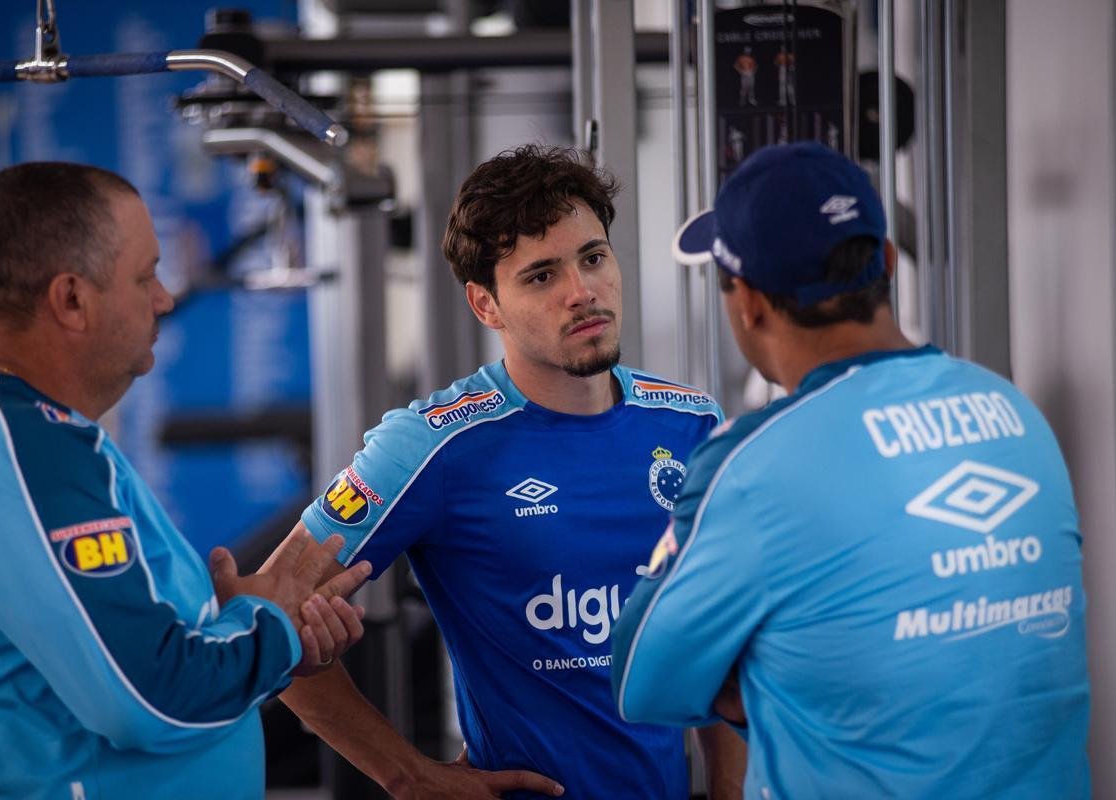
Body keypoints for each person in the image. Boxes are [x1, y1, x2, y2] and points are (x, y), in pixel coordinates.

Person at [612, 142, 1091, 797]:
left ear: (747, 301)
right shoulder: (1015, 412)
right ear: (887, 263)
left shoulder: (754, 464)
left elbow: (643, 679)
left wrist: (762, 675)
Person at [276, 144, 745, 798]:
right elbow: (268, 612)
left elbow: (714, 636)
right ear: (485, 304)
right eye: (541, 275)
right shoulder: (431, 443)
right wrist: (407, 775)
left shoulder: (691, 425)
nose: (582, 293)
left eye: (592, 258)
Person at [0, 162, 372, 800]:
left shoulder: (28, 438)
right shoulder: (24, 456)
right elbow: (149, 698)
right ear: (72, 299)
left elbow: (139, 659)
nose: (163, 297)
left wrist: (252, 631)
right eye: (145, 275)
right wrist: (270, 625)